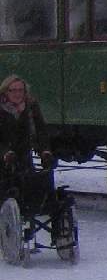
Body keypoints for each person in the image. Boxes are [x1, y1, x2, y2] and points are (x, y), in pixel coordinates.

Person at [0, 74, 58, 219]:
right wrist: (5, 152)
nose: (17, 94)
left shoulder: (31, 107)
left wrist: (45, 151)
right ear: (5, 92)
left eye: (20, 90)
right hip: (3, 155)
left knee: (32, 186)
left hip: (23, 155)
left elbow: (40, 131)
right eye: (13, 90)